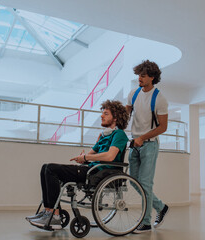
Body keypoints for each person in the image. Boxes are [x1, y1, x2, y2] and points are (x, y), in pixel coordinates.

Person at [26, 100, 129, 229]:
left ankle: (54, 216)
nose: (102, 116)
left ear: (116, 118)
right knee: (45, 167)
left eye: (106, 114)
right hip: (91, 169)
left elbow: (110, 156)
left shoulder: (119, 135)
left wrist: (86, 157)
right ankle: (48, 211)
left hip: (99, 173)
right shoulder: (104, 136)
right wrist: (83, 158)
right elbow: (90, 155)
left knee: (51, 169)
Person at [126, 60, 169, 233]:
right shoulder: (133, 94)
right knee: (135, 183)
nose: (139, 79)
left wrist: (143, 137)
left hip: (149, 145)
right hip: (134, 143)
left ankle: (145, 222)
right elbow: (125, 115)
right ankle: (161, 207)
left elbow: (163, 127)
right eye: (138, 75)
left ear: (152, 77)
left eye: (143, 76)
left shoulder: (160, 98)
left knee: (145, 183)